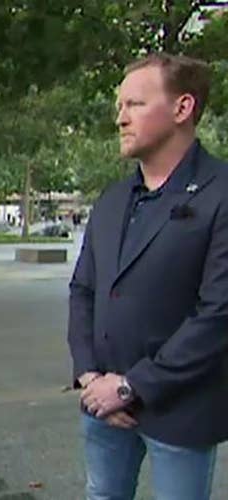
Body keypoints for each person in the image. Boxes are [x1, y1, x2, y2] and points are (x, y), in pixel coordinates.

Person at [68, 53, 228, 499]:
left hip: (181, 411)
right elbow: (83, 290)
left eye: (134, 104)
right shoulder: (113, 199)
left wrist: (131, 387)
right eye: (120, 106)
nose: (120, 118)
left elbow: (218, 314)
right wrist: (90, 378)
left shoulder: (221, 194)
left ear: (182, 108)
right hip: (102, 406)